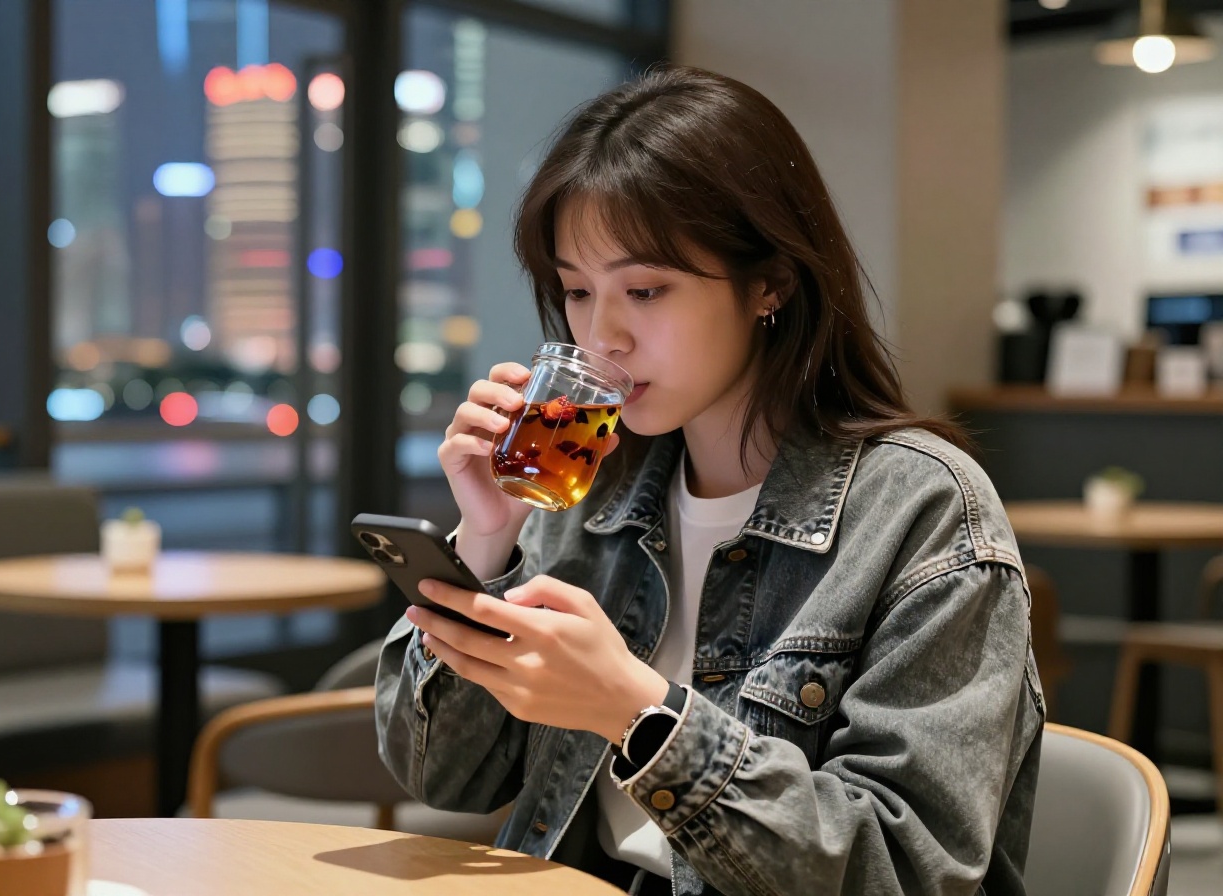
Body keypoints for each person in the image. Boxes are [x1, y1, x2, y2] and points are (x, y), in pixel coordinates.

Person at [374, 65, 1043, 896]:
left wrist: (639, 714)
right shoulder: (592, 495)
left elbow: (905, 868)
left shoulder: (923, 512)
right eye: (577, 291)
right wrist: (483, 541)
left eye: (645, 289)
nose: (602, 335)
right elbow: (444, 779)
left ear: (770, 283)